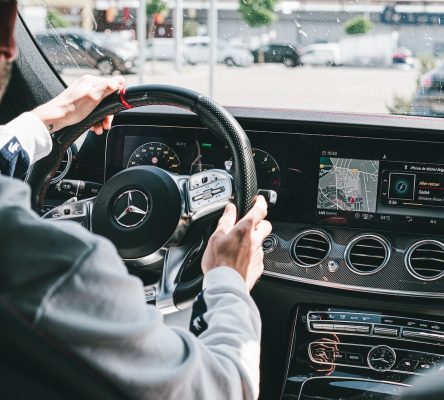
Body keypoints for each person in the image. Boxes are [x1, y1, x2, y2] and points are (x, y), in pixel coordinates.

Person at [0, 1, 271, 399]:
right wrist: (227, 279)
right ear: (9, 37)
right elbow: (226, 388)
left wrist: (45, 120)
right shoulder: (53, 268)